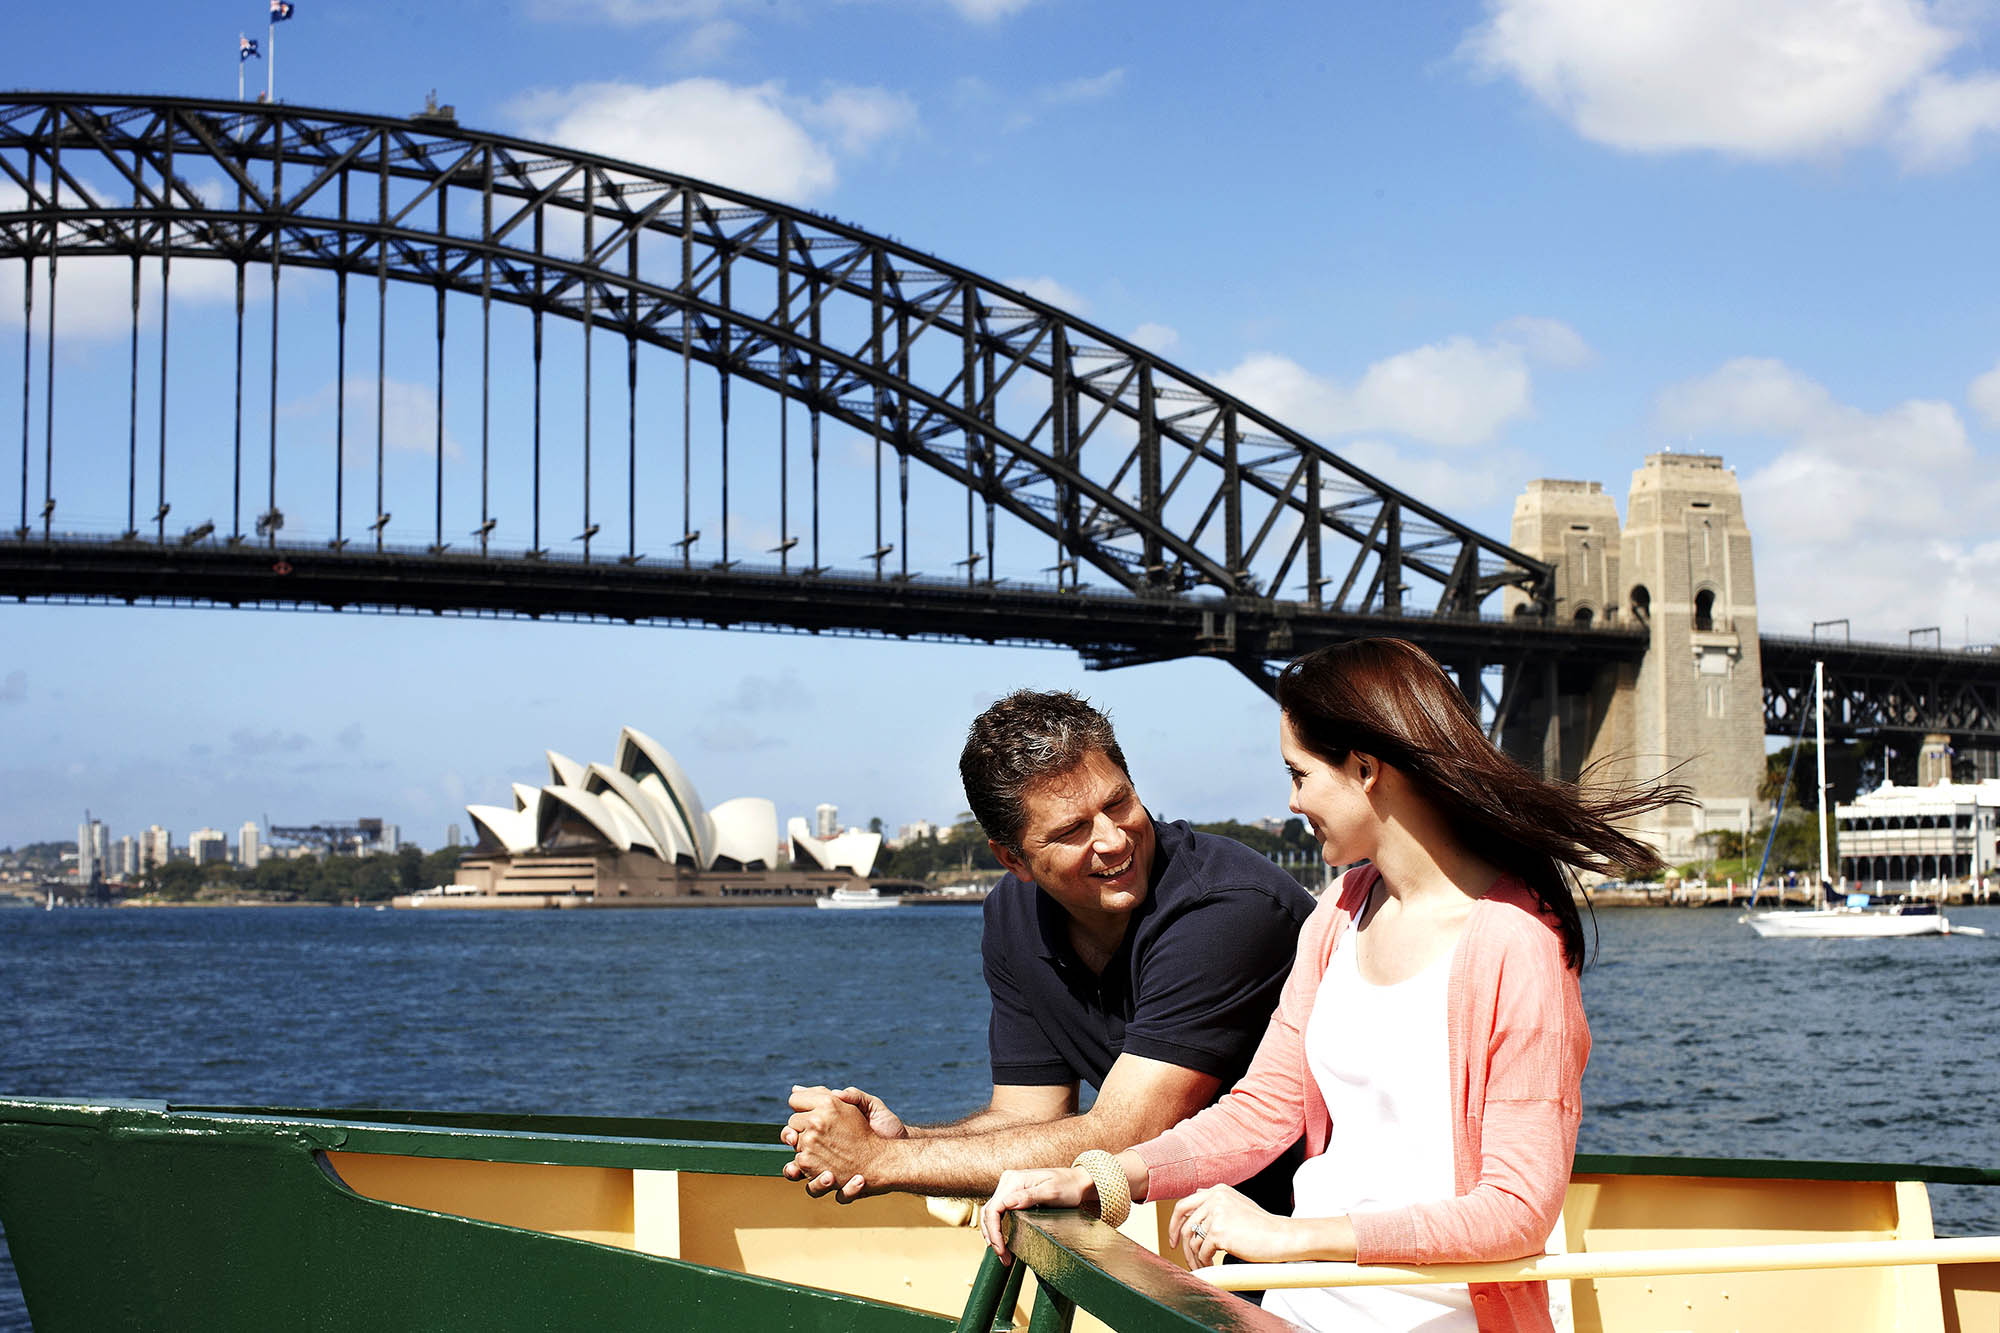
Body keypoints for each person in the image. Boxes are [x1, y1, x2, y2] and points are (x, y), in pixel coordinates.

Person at [980, 639, 1685, 1333]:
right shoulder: (1342, 910)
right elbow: (1262, 1109)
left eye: (1301, 773)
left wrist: (1287, 1235)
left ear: (1366, 769)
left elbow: (1515, 1210)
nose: (1291, 801)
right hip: (1302, 1309)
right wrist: (1103, 1177)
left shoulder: (1515, 945)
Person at [782, 688, 1315, 1206]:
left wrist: (881, 1162)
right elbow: (1026, 1118)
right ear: (1013, 860)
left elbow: (1126, 1134)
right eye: (1071, 831)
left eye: (1119, 801)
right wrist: (906, 1142)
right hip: (1204, 1228)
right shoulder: (1014, 916)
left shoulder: (1227, 908)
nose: (1112, 839)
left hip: (1317, 1236)